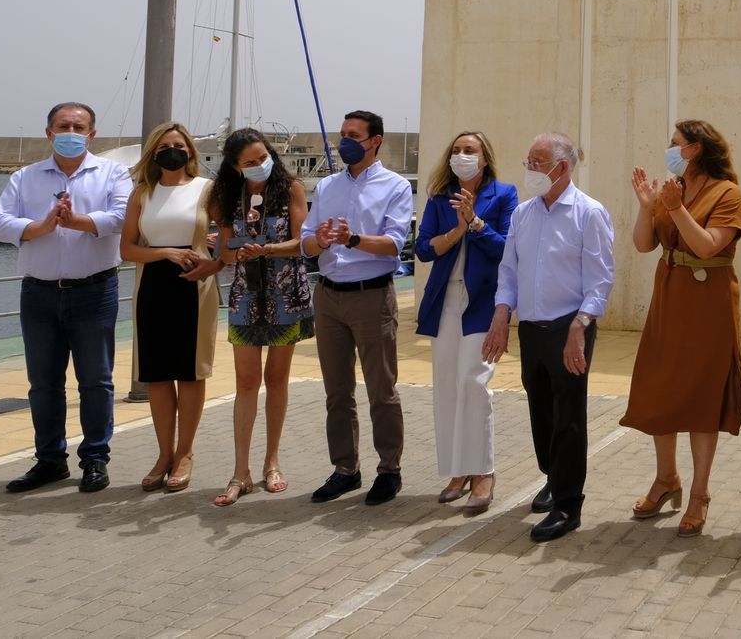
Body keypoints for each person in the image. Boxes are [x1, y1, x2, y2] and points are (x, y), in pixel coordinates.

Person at [0, 102, 133, 493]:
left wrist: (79, 222)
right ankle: (50, 460)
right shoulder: (26, 177)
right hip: (38, 294)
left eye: (79, 126)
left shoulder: (113, 173)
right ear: (49, 133)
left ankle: (95, 459)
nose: (71, 131)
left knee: (96, 381)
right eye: (63, 126)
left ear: (92, 133)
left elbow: (123, 217)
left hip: (95, 290)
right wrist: (42, 226)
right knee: (43, 383)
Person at [484, 133, 614, 542]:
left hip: (568, 328)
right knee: (540, 411)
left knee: (569, 418)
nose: (530, 170)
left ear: (562, 168)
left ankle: (567, 505)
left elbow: (600, 279)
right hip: (532, 330)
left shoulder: (589, 213)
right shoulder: (523, 214)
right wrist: (501, 314)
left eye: (538, 162)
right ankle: (553, 476)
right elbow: (508, 271)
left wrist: (581, 324)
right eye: (528, 161)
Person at [622, 120, 741, 538]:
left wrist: (675, 208)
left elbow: (709, 245)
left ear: (696, 149)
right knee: (662, 388)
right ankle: (666, 478)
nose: (669, 149)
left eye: (675, 143)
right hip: (670, 296)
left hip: (707, 302)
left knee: (700, 394)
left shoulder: (726, 192)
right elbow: (644, 245)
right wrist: (646, 206)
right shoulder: (670, 189)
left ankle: (699, 493)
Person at [301, 110, 414, 506]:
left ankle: (390, 470)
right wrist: (321, 241)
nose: (345, 140)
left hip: (371, 295)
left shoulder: (396, 186)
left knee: (381, 389)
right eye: (342, 133)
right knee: (337, 391)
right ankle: (345, 469)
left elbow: (394, 244)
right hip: (328, 295)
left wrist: (351, 239)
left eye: (354, 135)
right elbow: (306, 240)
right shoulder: (328, 185)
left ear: (375, 140)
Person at [206, 128, 313, 506]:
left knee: (277, 379)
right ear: (235, 168)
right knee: (246, 381)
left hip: (286, 294)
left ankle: (272, 462)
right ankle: (240, 471)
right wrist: (235, 250)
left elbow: (301, 242)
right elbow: (223, 253)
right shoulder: (225, 197)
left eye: (262, 156)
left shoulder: (292, 188)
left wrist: (264, 248)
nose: (258, 165)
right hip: (245, 298)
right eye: (249, 162)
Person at [415, 131, 517, 513]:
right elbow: (424, 249)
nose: (461, 155)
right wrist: (456, 229)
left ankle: (483, 472)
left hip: (484, 302)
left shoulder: (504, 194)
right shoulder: (439, 197)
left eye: (469, 150)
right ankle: (458, 470)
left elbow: (506, 249)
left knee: (473, 383)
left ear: (484, 159)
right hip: (444, 300)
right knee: (446, 385)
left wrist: (474, 223)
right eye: (456, 150)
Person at [118, 121, 218, 494]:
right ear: (153, 154)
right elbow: (127, 249)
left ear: (190, 151)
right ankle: (164, 454)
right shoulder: (142, 193)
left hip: (194, 285)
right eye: (163, 147)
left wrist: (214, 262)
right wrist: (164, 253)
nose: (171, 151)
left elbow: (226, 236)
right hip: (153, 286)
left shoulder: (207, 190)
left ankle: (186, 454)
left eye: (177, 145)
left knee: (191, 373)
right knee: (157, 375)